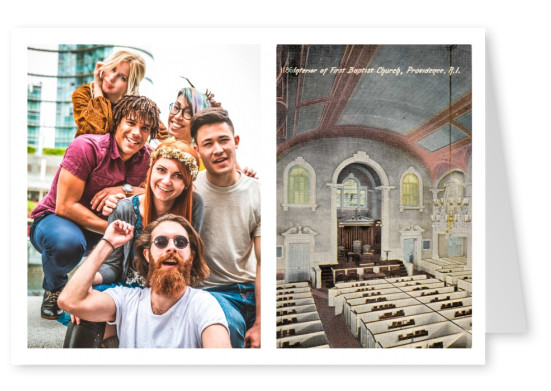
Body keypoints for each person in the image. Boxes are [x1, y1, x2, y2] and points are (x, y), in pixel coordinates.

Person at [29, 94, 160, 320]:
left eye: (145, 127)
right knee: (67, 244)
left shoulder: (150, 159)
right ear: (117, 122)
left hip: (105, 230)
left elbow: (158, 191)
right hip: (56, 221)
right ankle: (54, 287)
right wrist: (112, 231)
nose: (137, 132)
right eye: (130, 122)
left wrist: (124, 188)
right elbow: (65, 206)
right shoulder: (86, 147)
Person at [58, 215, 231, 348]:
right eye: (161, 242)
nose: (171, 247)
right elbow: (69, 300)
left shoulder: (203, 305)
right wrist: (107, 243)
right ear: (147, 255)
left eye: (180, 242)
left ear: (191, 257)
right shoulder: (126, 299)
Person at [190, 107, 261, 348]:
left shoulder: (257, 192)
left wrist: (261, 322)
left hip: (254, 289)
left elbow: (263, 262)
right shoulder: (190, 191)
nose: (218, 149)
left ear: (236, 141)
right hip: (214, 292)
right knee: (228, 330)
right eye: (208, 144)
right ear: (197, 151)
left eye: (223, 140)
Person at [72, 50, 147, 138]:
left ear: (130, 85)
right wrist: (98, 88)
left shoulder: (134, 108)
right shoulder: (83, 94)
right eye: (113, 69)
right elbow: (96, 132)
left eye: (122, 77)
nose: (111, 78)